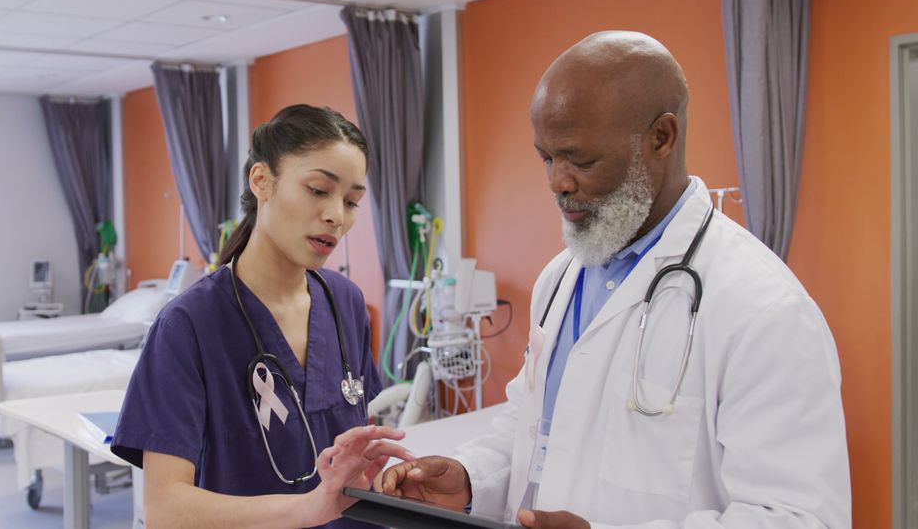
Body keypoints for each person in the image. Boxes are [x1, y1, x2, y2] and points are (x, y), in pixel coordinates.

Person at [380, 31, 851, 528]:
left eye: (581, 160)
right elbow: (534, 424)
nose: (557, 182)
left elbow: (801, 518)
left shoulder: (762, 307)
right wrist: (472, 477)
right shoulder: (561, 278)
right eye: (546, 157)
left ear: (661, 138)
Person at [111, 104, 412, 528]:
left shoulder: (346, 303)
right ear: (262, 181)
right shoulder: (190, 325)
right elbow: (165, 510)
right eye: (318, 190)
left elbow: (347, 455)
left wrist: (384, 485)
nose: (336, 216)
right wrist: (308, 509)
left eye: (351, 201)